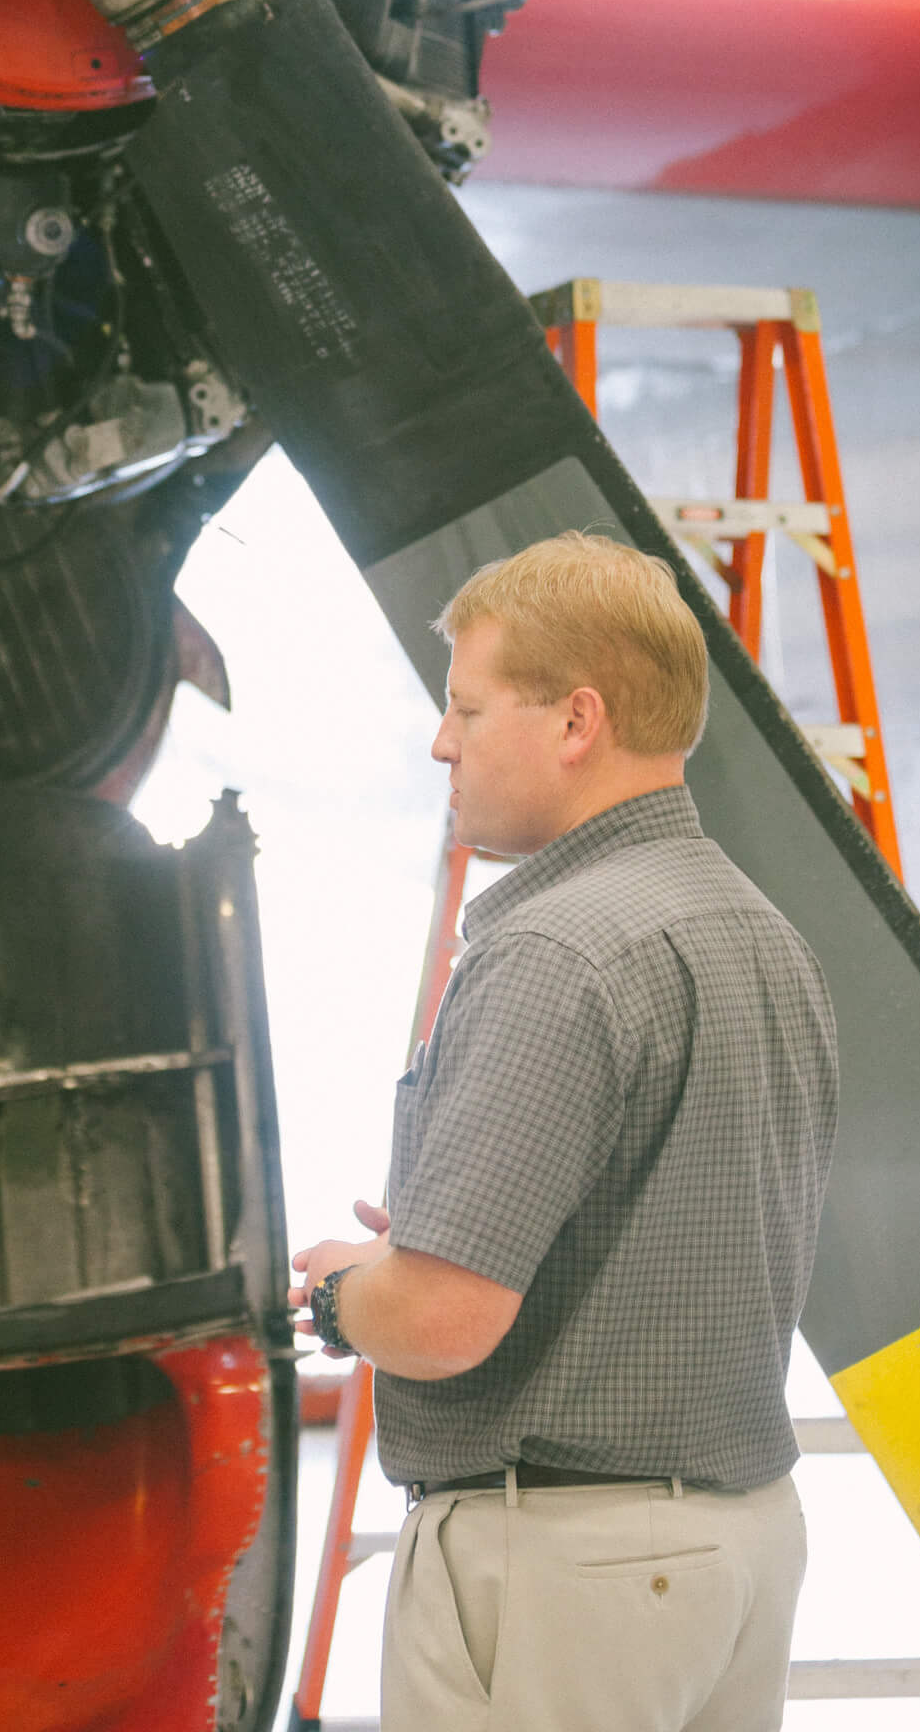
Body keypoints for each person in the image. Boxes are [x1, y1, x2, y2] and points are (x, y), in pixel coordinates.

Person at [292, 533, 838, 1732]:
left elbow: (438, 1322)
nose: (442, 741)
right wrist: (449, 1236)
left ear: (575, 720)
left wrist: (346, 1290)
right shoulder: (756, 932)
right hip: (736, 1543)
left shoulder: (552, 952)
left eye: (467, 706)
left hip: (568, 1564)